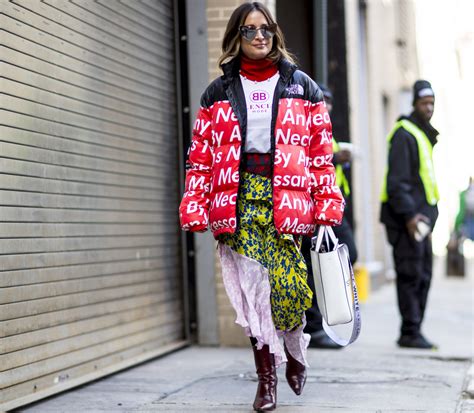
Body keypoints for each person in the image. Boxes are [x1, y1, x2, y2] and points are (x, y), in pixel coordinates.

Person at [179, 2, 344, 411]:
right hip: (237, 198)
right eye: (249, 30)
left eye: (265, 30)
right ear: (236, 35)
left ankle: (293, 352)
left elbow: (320, 153)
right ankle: (266, 380)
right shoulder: (217, 91)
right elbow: (200, 156)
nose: (258, 37)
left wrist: (326, 204)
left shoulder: (301, 85)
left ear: (274, 35)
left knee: (289, 289)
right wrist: (195, 203)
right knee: (254, 294)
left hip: (286, 196)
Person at [380, 80, 439, 350]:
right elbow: (397, 183)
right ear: (414, 104)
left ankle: (415, 329)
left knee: (423, 276)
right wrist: (410, 216)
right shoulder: (405, 133)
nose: (429, 108)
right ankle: (409, 331)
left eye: (432, 104)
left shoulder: (422, 134)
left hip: (421, 222)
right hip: (407, 222)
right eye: (424, 103)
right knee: (410, 275)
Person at [301, 85, 358, 349]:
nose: (328, 104)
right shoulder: (302, 123)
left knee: (347, 255)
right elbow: (304, 159)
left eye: (331, 100)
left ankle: (321, 316)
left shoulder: (327, 129)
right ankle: (313, 326)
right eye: (323, 99)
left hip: (332, 208)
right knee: (314, 264)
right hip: (312, 207)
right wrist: (336, 157)